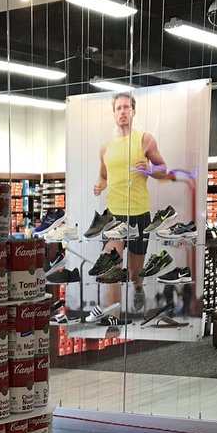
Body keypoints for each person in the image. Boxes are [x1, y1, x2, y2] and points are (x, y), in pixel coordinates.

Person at [94, 92, 175, 314]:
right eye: (118, 108)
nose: (122, 112)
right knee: (112, 267)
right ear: (113, 113)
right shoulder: (106, 147)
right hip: (113, 216)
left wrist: (148, 169)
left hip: (139, 213)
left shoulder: (145, 139)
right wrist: (100, 184)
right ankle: (113, 319)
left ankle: (138, 287)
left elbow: (164, 170)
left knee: (134, 271)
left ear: (133, 111)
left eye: (126, 107)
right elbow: (103, 175)